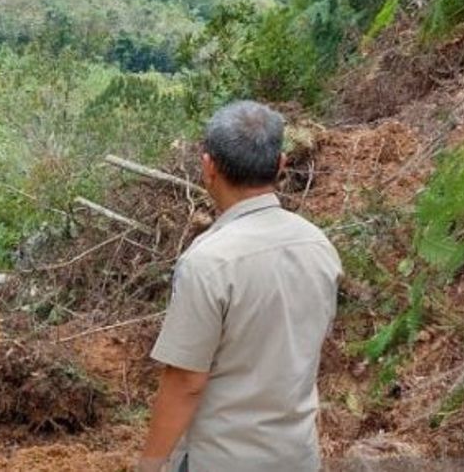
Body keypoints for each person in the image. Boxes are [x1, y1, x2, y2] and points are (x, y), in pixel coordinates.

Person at [136, 101, 343, 472]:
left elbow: (186, 381)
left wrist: (150, 464)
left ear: (208, 168)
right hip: (297, 457)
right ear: (281, 164)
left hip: (222, 459)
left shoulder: (208, 262)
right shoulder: (318, 246)